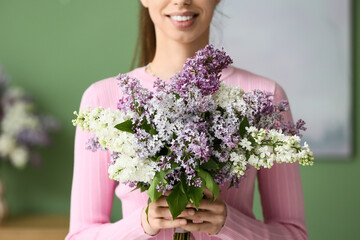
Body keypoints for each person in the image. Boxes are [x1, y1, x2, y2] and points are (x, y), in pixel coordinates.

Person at [65, 0, 308, 239]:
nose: (182, 1)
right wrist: (142, 224)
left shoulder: (264, 97)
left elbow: (294, 235)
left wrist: (229, 223)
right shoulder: (102, 100)